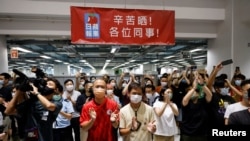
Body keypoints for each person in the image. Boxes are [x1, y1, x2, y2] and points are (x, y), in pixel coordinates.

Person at [5, 71, 62, 141]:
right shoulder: (32, 102)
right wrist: (19, 91)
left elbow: (49, 106)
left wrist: (37, 93)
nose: (46, 85)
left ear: (56, 90)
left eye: (50, 84)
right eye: (46, 84)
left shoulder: (56, 103)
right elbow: (8, 111)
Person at [180, 71, 212, 141]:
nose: (193, 93)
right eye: (190, 92)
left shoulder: (203, 101)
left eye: (195, 92)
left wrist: (201, 84)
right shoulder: (187, 103)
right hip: (188, 134)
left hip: (201, 133)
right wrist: (194, 88)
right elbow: (185, 100)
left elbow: (209, 95)